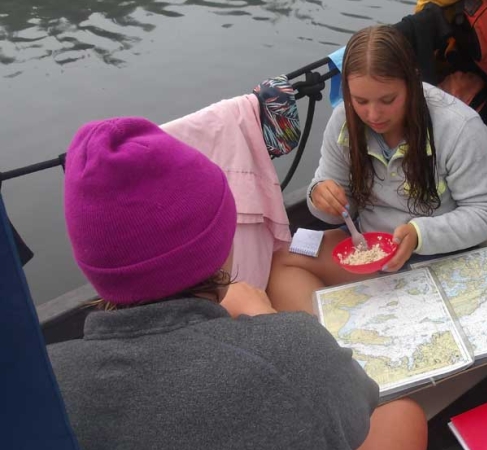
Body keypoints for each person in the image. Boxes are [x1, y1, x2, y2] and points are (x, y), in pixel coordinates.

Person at [47, 117, 427, 450]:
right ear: (220, 243)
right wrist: (270, 324)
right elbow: (358, 407)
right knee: (402, 417)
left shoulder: (44, 380)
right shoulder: (294, 348)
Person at [267, 25, 487, 313]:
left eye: (387, 100)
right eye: (360, 101)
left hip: (442, 259)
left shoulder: (459, 127)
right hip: (369, 251)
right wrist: (320, 195)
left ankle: (361, 331)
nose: (373, 115)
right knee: (280, 259)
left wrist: (420, 234)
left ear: (412, 82)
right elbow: (327, 195)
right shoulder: (343, 120)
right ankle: (333, 347)